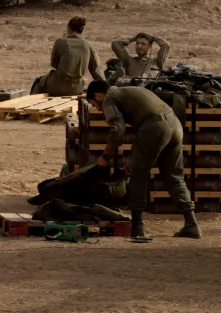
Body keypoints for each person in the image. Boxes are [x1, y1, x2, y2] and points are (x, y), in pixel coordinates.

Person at [86, 80, 201, 240]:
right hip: (175, 125)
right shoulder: (129, 90)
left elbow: (118, 129)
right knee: (174, 176)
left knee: (138, 173)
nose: (98, 109)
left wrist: (105, 157)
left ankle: (138, 227)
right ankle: (191, 224)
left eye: (94, 104)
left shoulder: (109, 98)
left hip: (155, 127)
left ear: (97, 95)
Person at [30, 16, 102, 96]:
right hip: (76, 88)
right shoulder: (88, 44)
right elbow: (96, 69)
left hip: (57, 86)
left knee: (38, 81)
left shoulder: (60, 41)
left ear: (68, 28)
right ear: (82, 30)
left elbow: (54, 64)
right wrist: (105, 88)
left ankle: (29, 104)